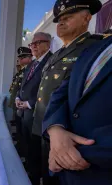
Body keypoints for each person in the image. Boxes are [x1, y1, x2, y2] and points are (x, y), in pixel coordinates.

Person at [32, 0, 105, 184]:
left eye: (68, 17)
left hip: (67, 135)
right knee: (44, 175)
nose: (61, 22)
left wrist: (56, 127)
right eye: (59, 19)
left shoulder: (94, 48)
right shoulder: (55, 55)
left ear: (87, 18)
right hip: (46, 128)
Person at [43, 34, 112, 184]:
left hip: (99, 171)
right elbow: (61, 93)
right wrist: (55, 129)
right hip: (67, 173)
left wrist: (65, 153)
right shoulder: (93, 49)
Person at [16, 32, 53, 185]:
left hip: (38, 115)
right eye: (33, 43)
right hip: (25, 115)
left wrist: (29, 103)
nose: (34, 46)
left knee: (38, 153)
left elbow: (50, 89)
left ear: (48, 44)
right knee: (29, 149)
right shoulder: (32, 64)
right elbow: (22, 86)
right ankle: (29, 175)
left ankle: (35, 178)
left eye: (39, 42)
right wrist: (18, 97)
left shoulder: (52, 61)